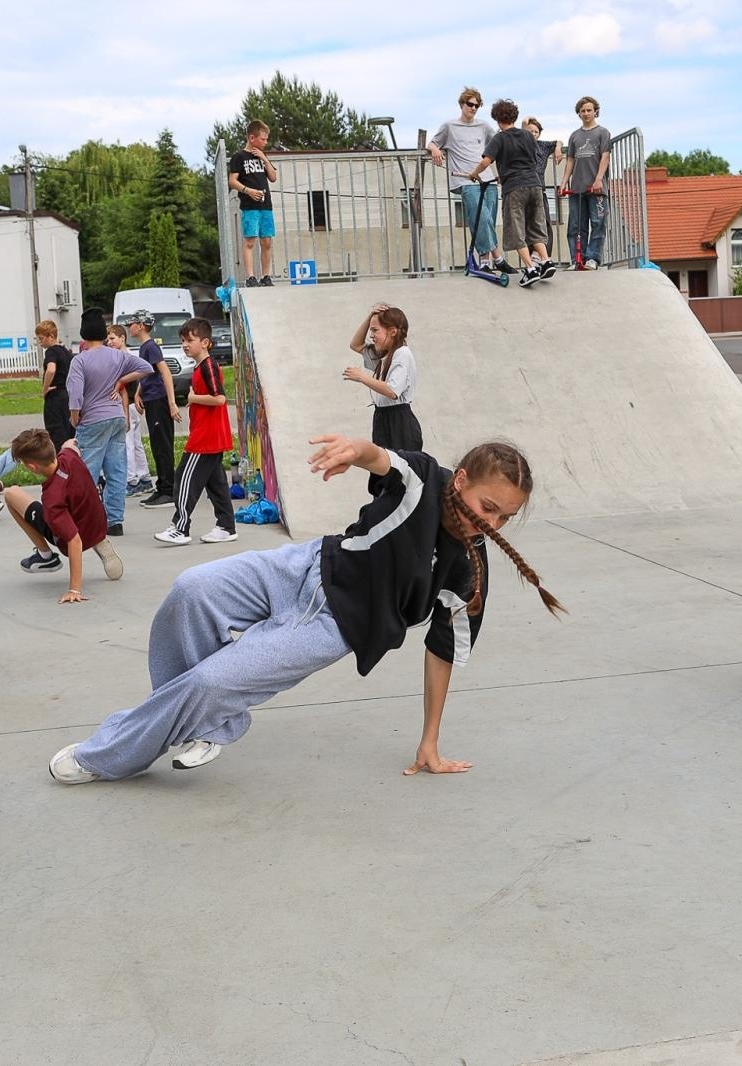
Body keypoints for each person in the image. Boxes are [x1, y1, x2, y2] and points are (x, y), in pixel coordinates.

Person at [49, 435, 565, 783]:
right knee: (190, 590)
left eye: (504, 517)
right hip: (302, 566)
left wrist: (429, 742)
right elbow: (381, 459)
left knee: (211, 685)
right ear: (462, 480)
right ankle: (205, 728)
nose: (490, 523)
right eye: (486, 507)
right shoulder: (425, 479)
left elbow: (442, 652)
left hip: (332, 627)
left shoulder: (469, 569)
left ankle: (110, 755)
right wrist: (354, 450)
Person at [3, 428, 124, 603]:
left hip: (74, 538)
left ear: (32, 467)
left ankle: (46, 556)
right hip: (98, 524)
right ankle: (99, 540)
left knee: (11, 494)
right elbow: (71, 444)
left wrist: (74, 589)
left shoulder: (53, 497)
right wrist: (70, 442)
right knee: (75, 508)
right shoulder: (69, 457)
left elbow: (74, 541)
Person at [67, 307, 156, 535]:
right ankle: (114, 522)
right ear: (103, 335)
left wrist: (75, 418)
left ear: (84, 336)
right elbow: (146, 368)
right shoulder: (118, 356)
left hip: (92, 420)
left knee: (87, 473)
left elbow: (76, 396)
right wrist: (121, 380)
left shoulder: (80, 361)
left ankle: (86, 521)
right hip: (116, 417)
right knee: (117, 472)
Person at [153, 318, 237, 546]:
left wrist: (192, 398)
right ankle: (226, 526)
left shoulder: (208, 365)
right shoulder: (201, 366)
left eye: (190, 340)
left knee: (184, 478)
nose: (185, 345)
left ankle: (180, 528)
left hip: (205, 437)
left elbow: (219, 398)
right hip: (209, 435)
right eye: (182, 340)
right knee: (216, 484)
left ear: (206, 343)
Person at [469, 99, 556, 286]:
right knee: (535, 226)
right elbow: (531, 158)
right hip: (535, 185)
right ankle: (546, 260)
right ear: (514, 116)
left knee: (515, 230)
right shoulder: (527, 136)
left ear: (497, 119)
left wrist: (474, 174)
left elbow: (486, 162)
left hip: (515, 188)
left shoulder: (499, 138)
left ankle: (531, 270)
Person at [344, 303, 420, 495]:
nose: (372, 335)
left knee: (399, 473)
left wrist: (363, 377)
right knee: (381, 472)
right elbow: (356, 345)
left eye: (376, 330)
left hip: (399, 420)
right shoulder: (384, 355)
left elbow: (393, 390)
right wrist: (371, 314)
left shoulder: (402, 354)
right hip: (382, 418)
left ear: (393, 331)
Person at [431, 88, 501, 270]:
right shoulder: (449, 126)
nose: (473, 108)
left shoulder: (484, 126)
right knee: (481, 218)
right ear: (462, 104)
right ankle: (498, 258)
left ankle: (485, 261)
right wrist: (435, 149)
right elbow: (433, 142)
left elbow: (498, 146)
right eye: (470, 104)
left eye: (477, 106)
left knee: (489, 221)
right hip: (465, 180)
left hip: (488, 179)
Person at [128, 312, 181, 510]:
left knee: (162, 446)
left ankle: (168, 490)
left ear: (141, 326)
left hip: (159, 401)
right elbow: (148, 373)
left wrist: (172, 403)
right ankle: (161, 487)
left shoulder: (151, 346)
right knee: (156, 444)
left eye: (132, 323)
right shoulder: (144, 348)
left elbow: (164, 372)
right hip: (150, 399)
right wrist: (138, 393)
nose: (129, 327)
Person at [561, 96, 611, 270]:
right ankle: (577, 259)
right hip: (577, 188)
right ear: (578, 113)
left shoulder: (602, 133)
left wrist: (598, 179)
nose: (586, 113)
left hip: (596, 188)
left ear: (595, 111)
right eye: (583, 111)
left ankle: (592, 258)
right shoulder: (575, 136)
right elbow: (570, 160)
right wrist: (563, 182)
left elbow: (605, 157)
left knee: (598, 223)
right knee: (575, 225)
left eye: (589, 110)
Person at [229, 120, 279, 287]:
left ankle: (266, 276)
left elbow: (273, 177)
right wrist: (247, 190)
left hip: (266, 205)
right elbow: (232, 181)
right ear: (252, 138)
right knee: (250, 240)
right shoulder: (239, 157)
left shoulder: (262, 157)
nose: (265, 142)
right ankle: (250, 277)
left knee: (267, 241)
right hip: (250, 206)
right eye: (263, 139)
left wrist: (264, 158)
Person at [105, 324, 151, 496]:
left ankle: (132, 480)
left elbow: (122, 387)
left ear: (122, 338)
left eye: (112, 338)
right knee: (137, 443)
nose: (109, 342)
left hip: (127, 406)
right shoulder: (131, 357)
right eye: (107, 339)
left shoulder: (121, 359)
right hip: (132, 404)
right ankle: (144, 476)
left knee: (128, 443)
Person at [525, 116, 563, 257]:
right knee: (527, 222)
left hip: (540, 188)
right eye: (530, 131)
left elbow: (558, 142)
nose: (533, 134)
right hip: (524, 187)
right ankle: (532, 255)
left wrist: (558, 148)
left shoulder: (543, 146)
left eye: (536, 132)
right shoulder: (521, 145)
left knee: (544, 221)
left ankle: (541, 254)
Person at [37, 320, 73, 447]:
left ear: (51, 336)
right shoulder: (67, 353)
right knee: (70, 432)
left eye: (41, 339)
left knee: (57, 434)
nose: (39, 342)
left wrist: (45, 388)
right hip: (69, 396)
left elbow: (51, 369)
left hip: (56, 396)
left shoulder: (51, 352)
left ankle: (60, 462)